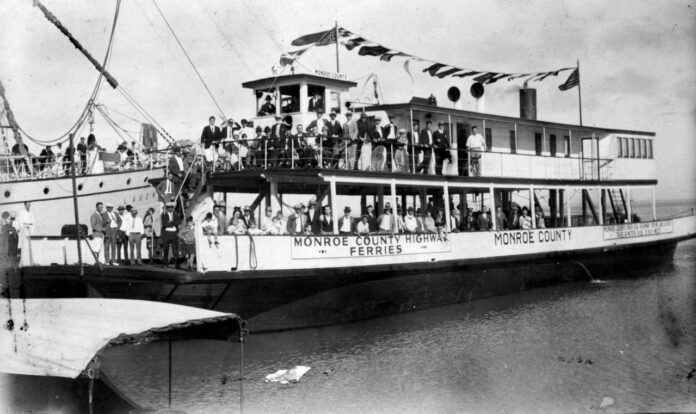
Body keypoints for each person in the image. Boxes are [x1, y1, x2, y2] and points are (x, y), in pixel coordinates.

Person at [161, 202, 180, 268]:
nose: (170, 209)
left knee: (175, 250)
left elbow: (179, 222)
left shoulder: (176, 215)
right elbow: (165, 224)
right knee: (166, 250)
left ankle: (177, 265)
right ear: (167, 208)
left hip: (174, 233)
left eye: (172, 208)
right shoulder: (164, 215)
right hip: (167, 234)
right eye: (169, 208)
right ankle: (165, 264)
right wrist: (173, 223)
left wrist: (170, 222)